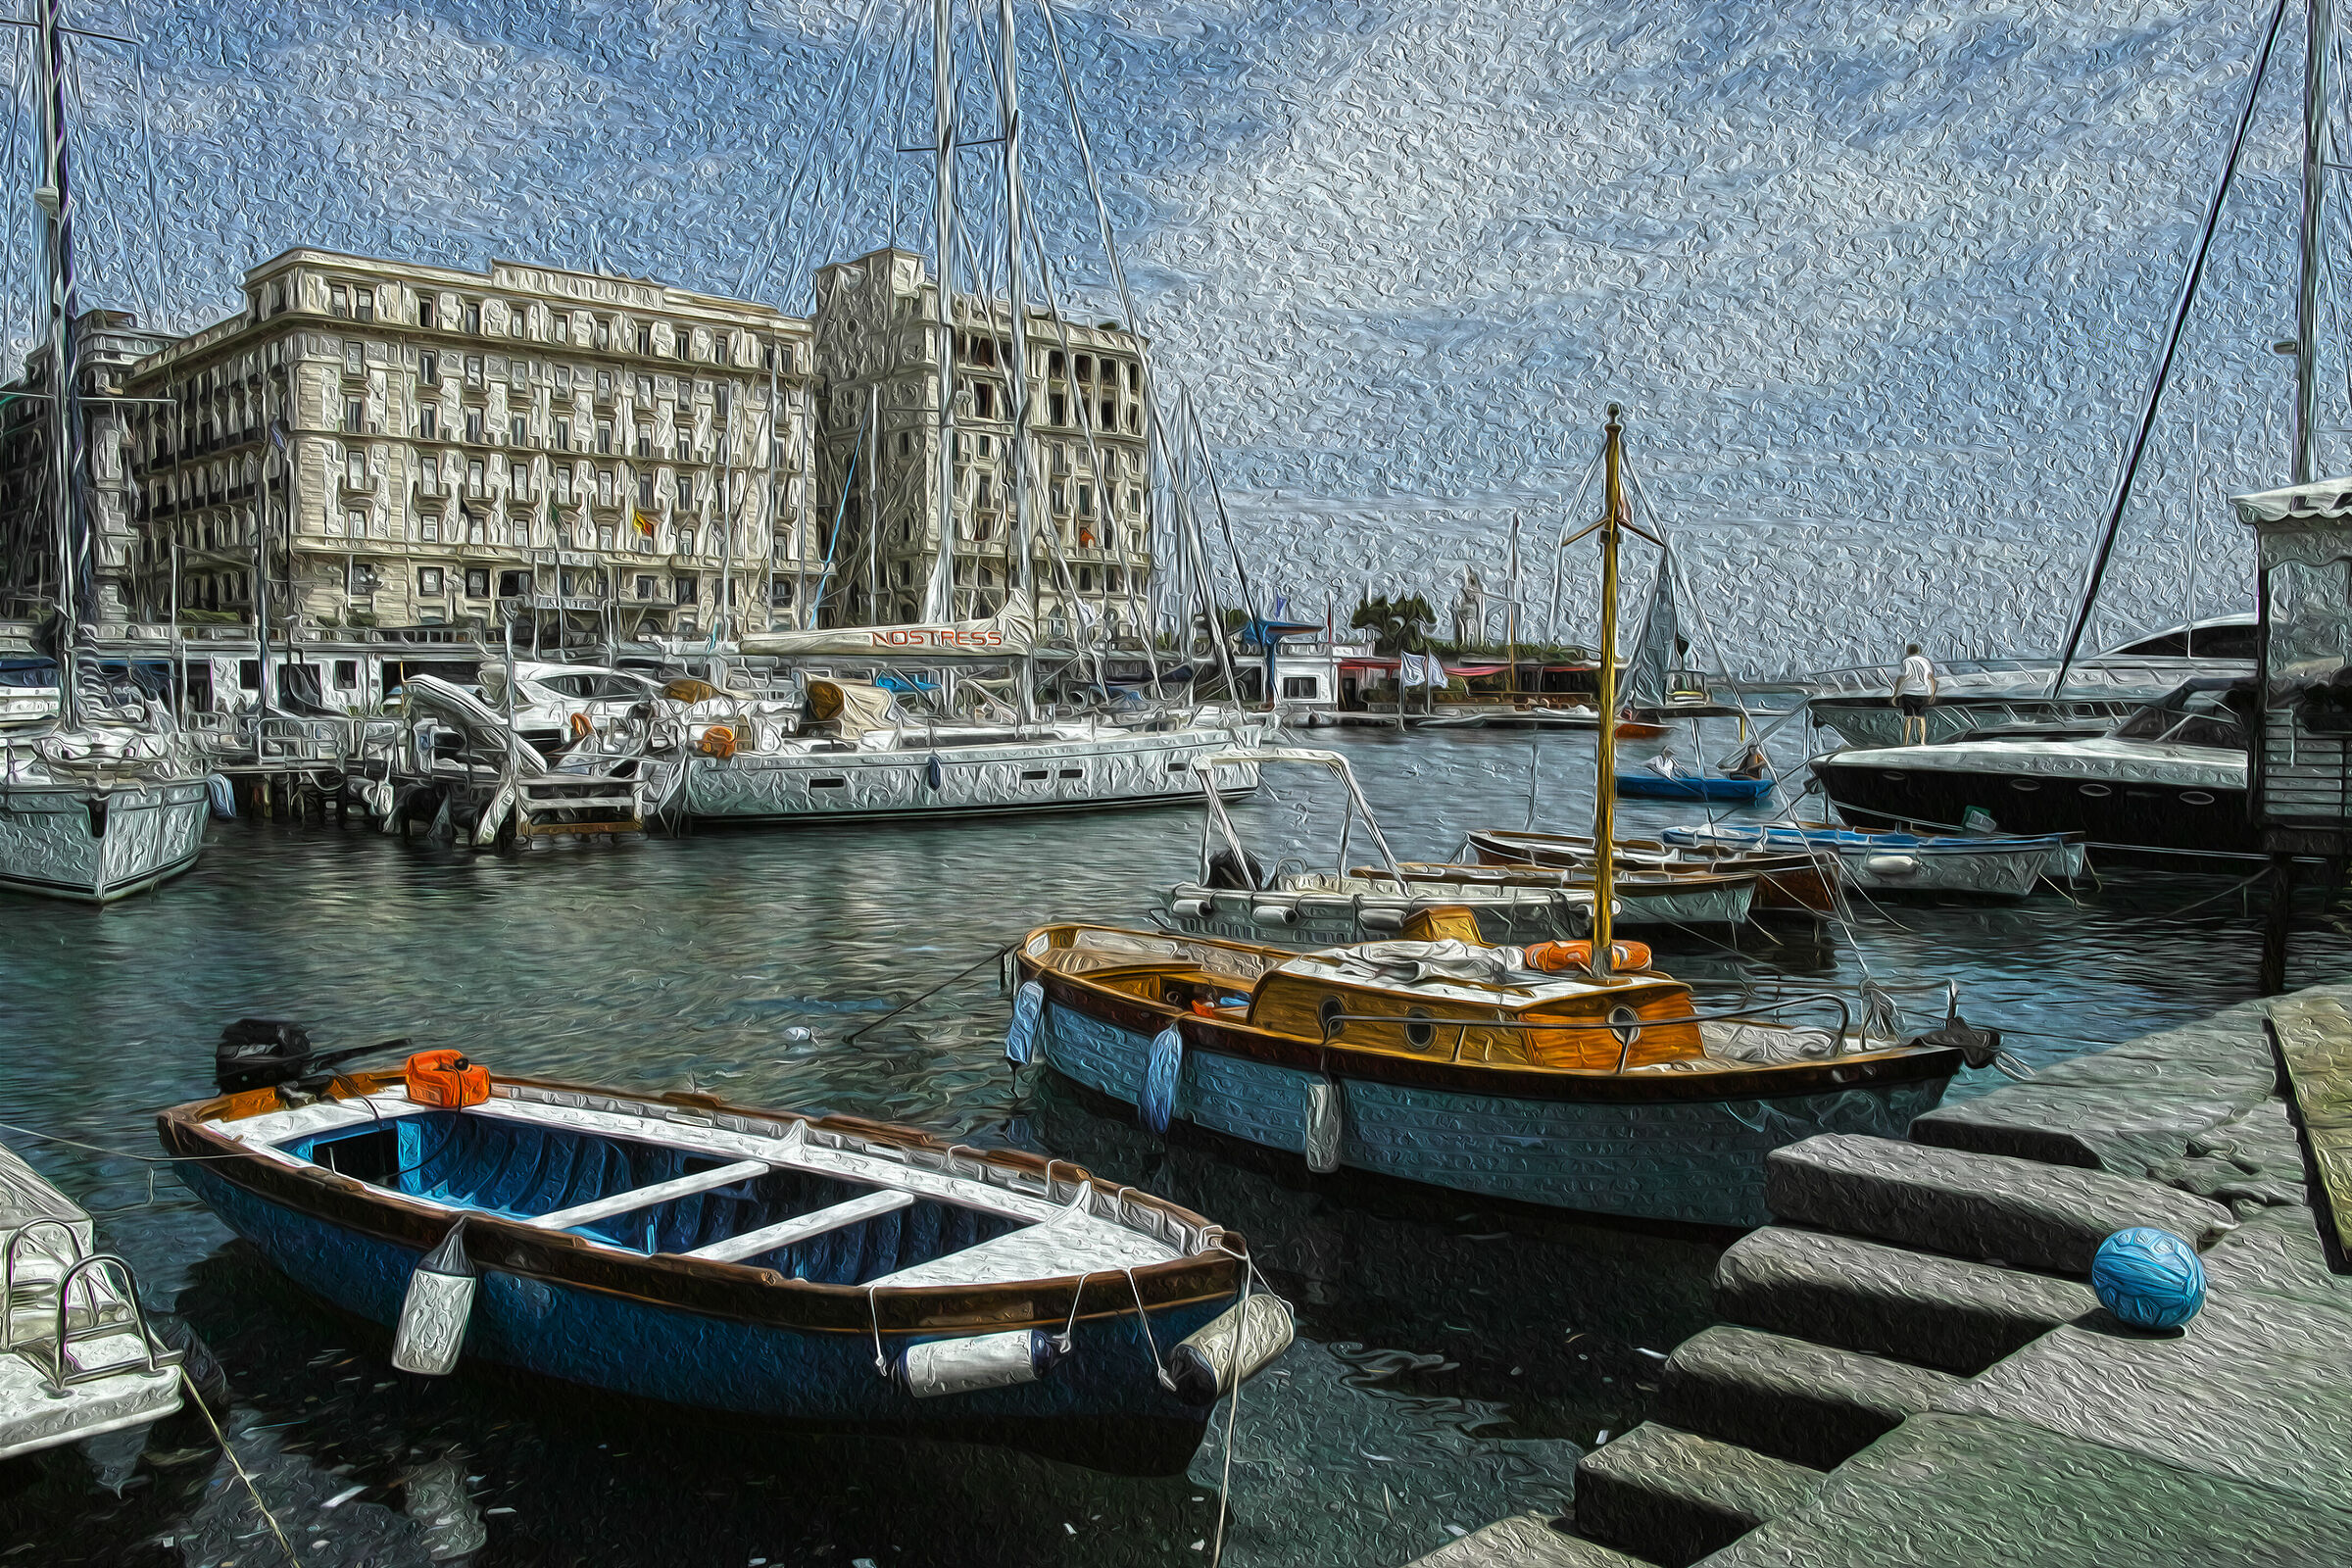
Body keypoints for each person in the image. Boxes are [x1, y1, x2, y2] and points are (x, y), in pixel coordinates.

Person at [1893, 643, 1937, 745]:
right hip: (1923, 692)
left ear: (1908, 651)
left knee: (1908, 718)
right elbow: (1931, 679)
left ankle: (1905, 742)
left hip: (1908, 692)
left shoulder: (1905, 661)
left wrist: (1896, 694)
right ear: (1918, 651)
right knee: (1921, 717)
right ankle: (1922, 741)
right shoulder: (1926, 661)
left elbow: (1902, 678)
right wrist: (1933, 694)